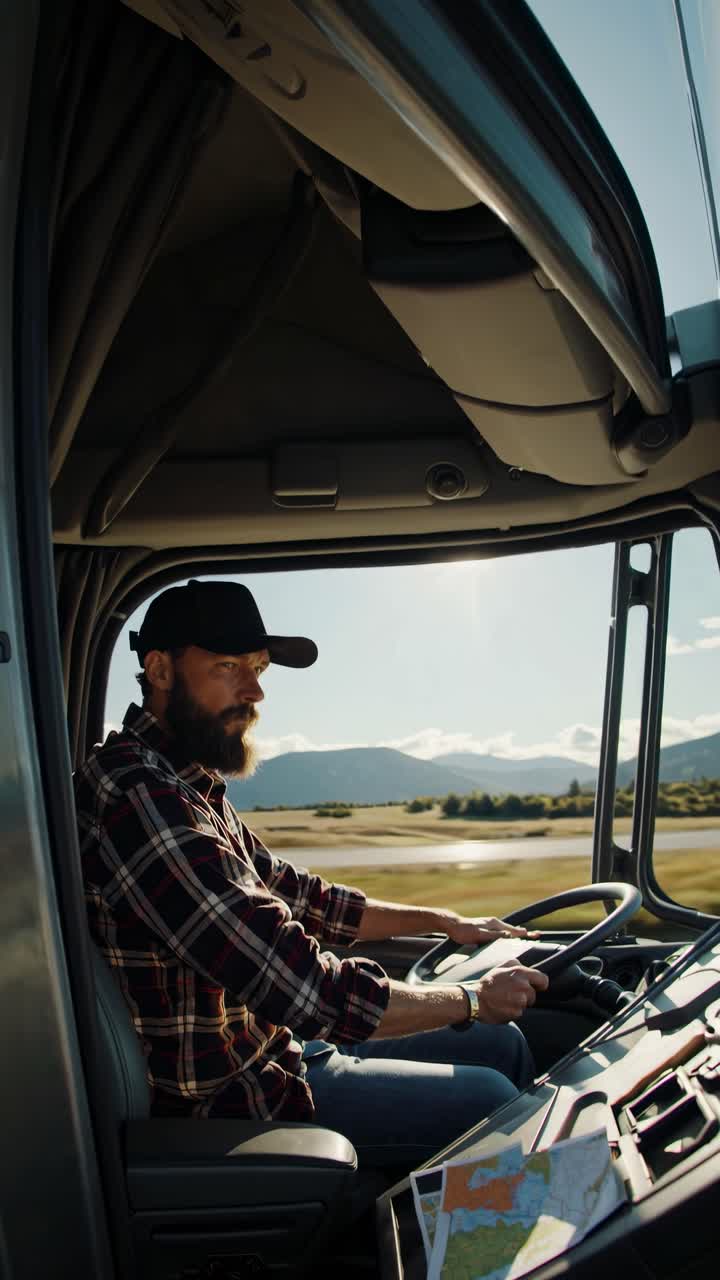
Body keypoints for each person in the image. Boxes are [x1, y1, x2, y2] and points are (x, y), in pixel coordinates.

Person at [75, 579, 548, 1172]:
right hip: (242, 1099)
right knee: (495, 1104)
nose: (254, 691)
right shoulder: (138, 797)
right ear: (160, 670)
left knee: (500, 1044)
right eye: (228, 666)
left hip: (278, 1046)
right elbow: (303, 985)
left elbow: (297, 893)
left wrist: (441, 921)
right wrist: (472, 998)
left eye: (259, 668)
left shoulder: (183, 782)